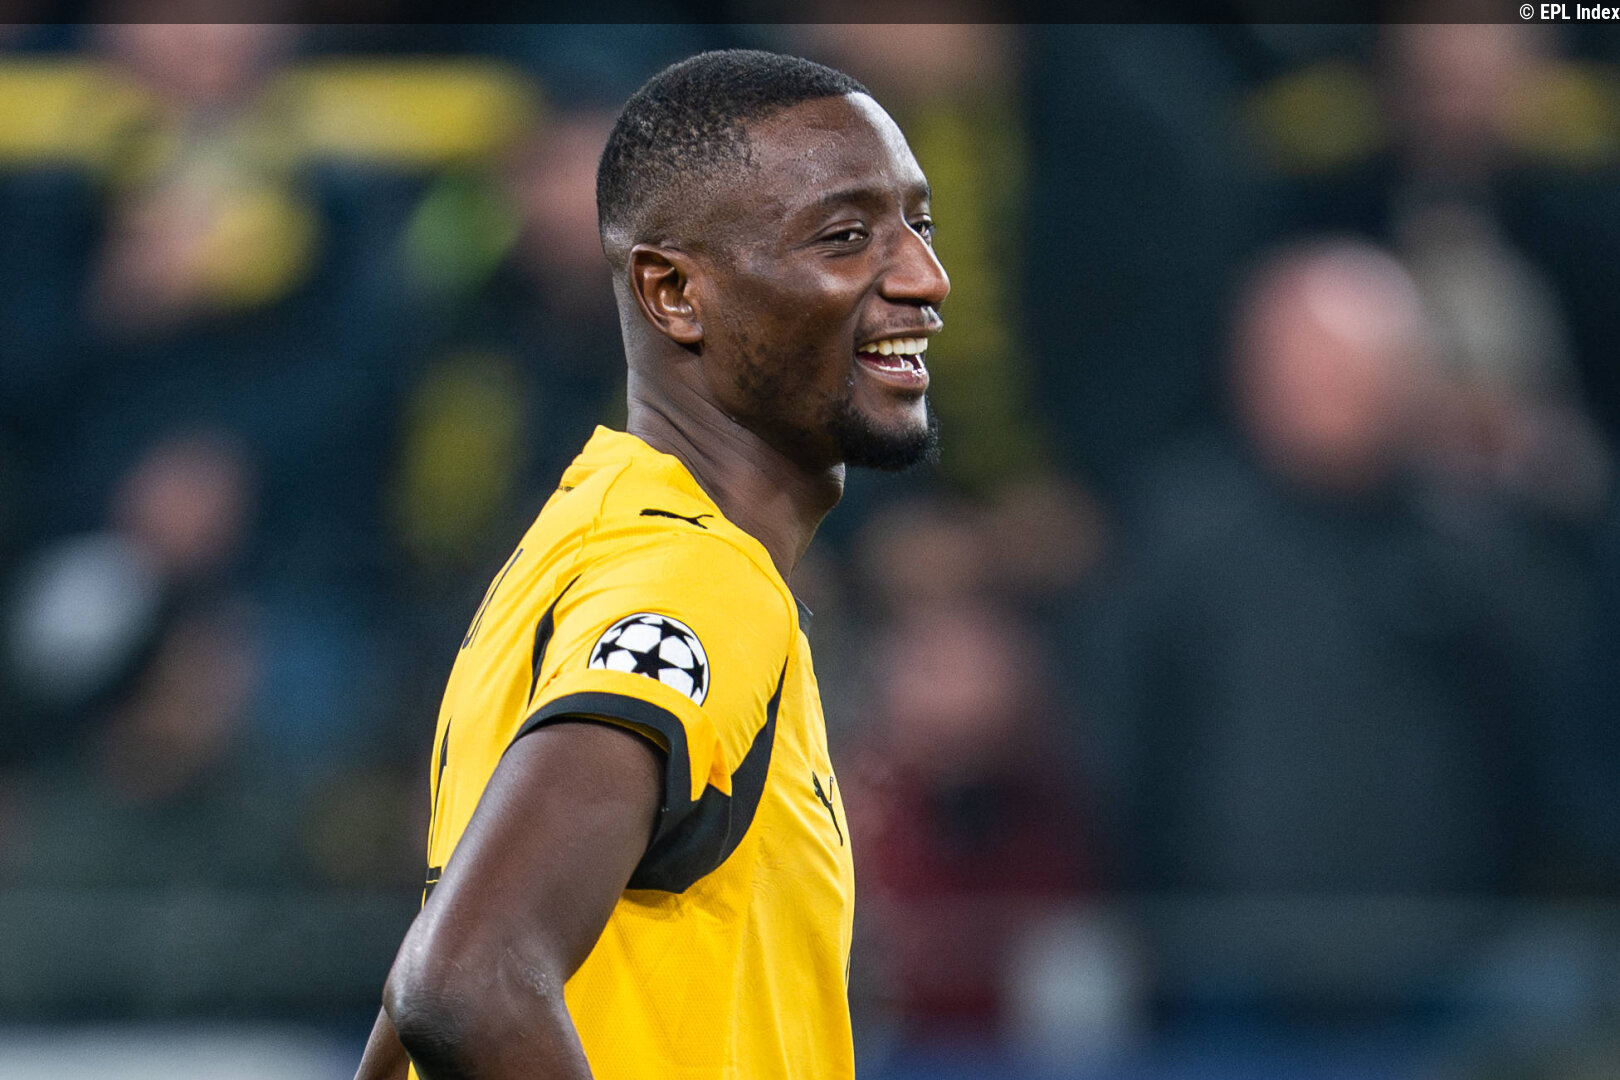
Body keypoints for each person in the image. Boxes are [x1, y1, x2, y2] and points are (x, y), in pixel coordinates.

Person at [353, 49, 948, 1080]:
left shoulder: (580, 545)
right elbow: (465, 981)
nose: (923, 278)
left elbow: (426, 994)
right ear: (673, 293)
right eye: (846, 237)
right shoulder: (692, 579)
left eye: (918, 225)